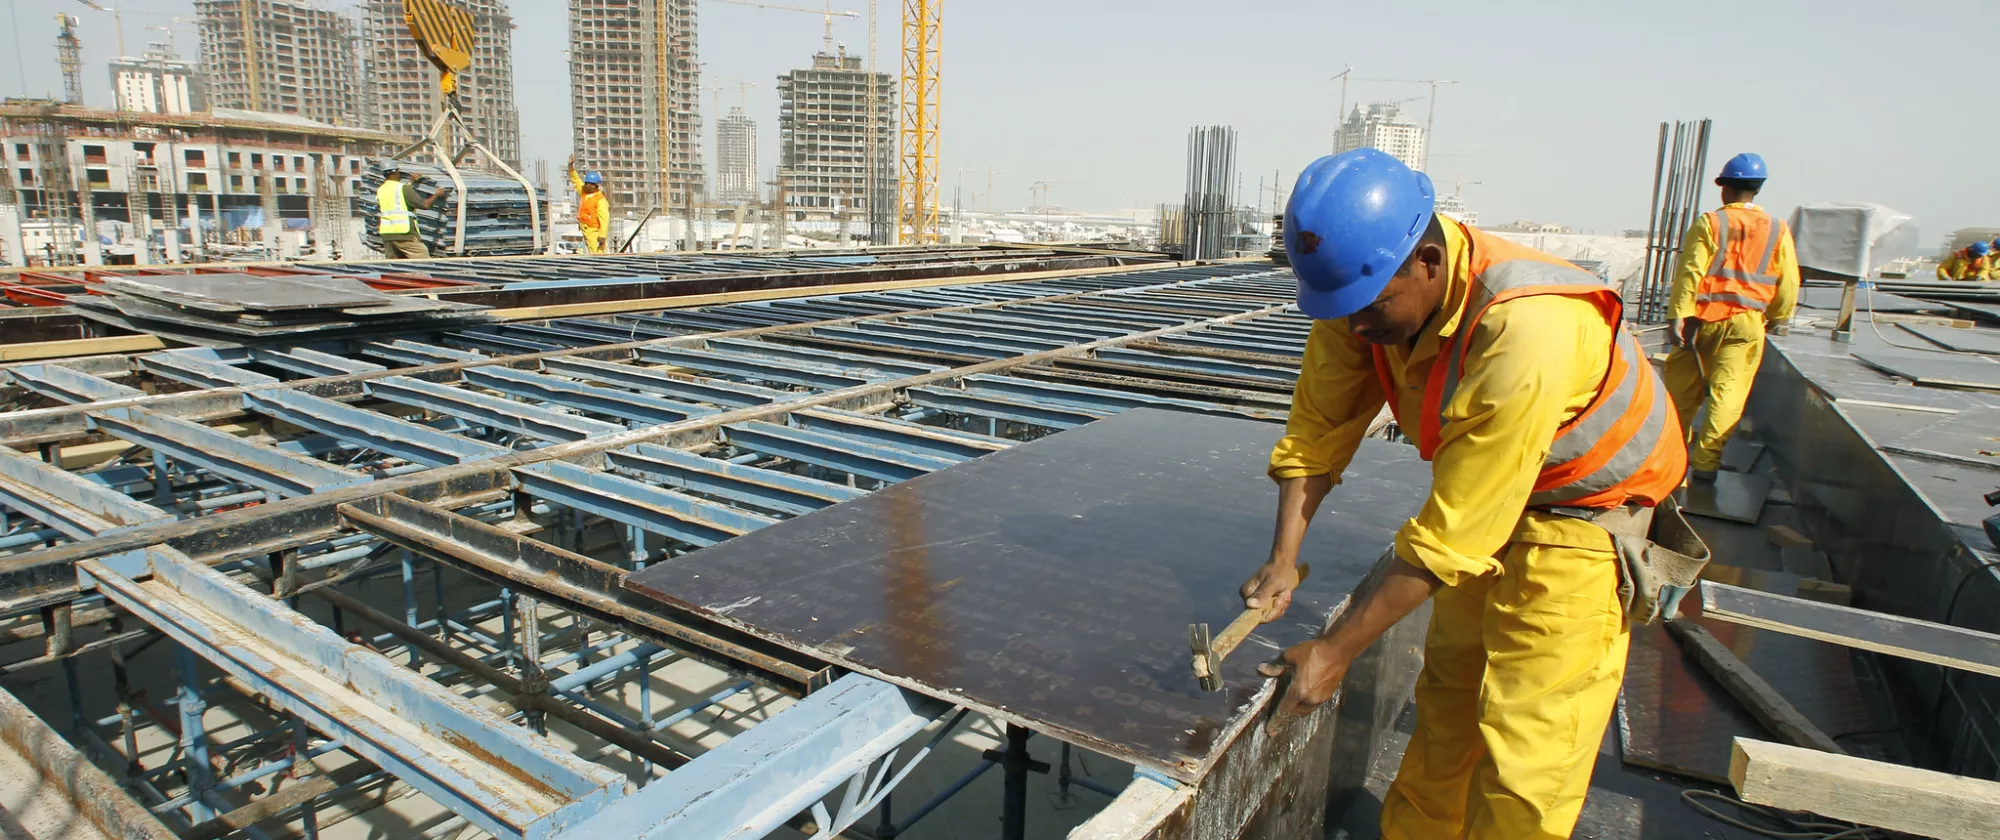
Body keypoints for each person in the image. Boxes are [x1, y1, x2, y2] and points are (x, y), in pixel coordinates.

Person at [1241, 148, 1693, 840]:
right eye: (1341, 312)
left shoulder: (1526, 328)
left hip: (1585, 518)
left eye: (1369, 310)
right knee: (1449, 703)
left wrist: (1333, 651)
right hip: (1494, 495)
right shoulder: (1361, 293)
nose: (1357, 329)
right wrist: (1284, 557)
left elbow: (1451, 538)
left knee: (1527, 751)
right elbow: (1318, 430)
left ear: (1426, 260)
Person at [1660, 153, 1801, 482]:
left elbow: (1689, 271)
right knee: (1728, 395)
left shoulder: (1710, 222)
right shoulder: (1779, 230)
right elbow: (1789, 281)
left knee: (1681, 394)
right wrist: (1779, 316)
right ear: (1758, 189)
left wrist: (1678, 315)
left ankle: (1671, 463)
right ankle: (1706, 467)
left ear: (1724, 187)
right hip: (1746, 323)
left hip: (1700, 321)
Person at [375, 163, 453, 259]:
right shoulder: (402, 188)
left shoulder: (381, 189)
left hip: (387, 234)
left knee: (395, 265)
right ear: (396, 172)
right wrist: (437, 194)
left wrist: (411, 181)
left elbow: (397, 198)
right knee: (422, 258)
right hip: (404, 234)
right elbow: (424, 205)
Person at [567, 156, 610, 254]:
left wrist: (602, 235)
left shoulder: (600, 200)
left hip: (593, 231)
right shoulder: (585, 193)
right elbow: (576, 180)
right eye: (585, 183)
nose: (585, 185)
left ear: (595, 185)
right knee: (592, 252)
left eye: (588, 184)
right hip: (585, 228)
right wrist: (570, 167)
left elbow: (604, 220)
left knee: (596, 253)